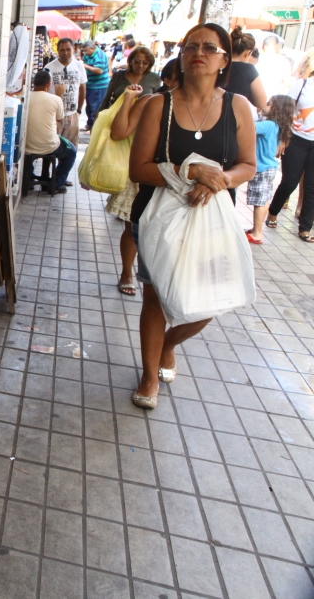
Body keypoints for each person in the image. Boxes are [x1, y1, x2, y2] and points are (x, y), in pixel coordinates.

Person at [127, 23, 256, 409]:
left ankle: (167, 345)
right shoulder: (158, 105)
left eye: (209, 47)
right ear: (181, 56)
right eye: (191, 46)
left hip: (211, 221)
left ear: (224, 60)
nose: (198, 52)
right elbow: (139, 169)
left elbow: (248, 165)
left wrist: (220, 179)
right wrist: (189, 171)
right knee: (155, 296)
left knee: (212, 300)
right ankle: (150, 375)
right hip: (157, 218)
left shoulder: (237, 106)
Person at [106, 61, 179, 297]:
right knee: (133, 227)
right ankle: (128, 272)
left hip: (178, 184)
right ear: (166, 80)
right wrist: (128, 100)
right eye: (181, 78)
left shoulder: (201, 108)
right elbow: (119, 132)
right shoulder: (150, 102)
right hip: (144, 175)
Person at [265, 48, 314, 242]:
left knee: (312, 188)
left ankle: (305, 228)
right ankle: (273, 212)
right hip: (297, 140)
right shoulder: (302, 84)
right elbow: (288, 112)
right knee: (289, 182)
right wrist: (283, 139)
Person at [246, 95, 295, 244]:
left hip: (262, 167)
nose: (264, 105)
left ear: (276, 109)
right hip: (269, 167)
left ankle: (257, 232)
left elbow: (249, 127)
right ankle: (257, 228)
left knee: (260, 201)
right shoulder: (277, 126)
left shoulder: (268, 125)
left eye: (268, 104)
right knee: (264, 198)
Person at [26, 70, 77, 193]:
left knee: (29, 155)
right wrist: (59, 95)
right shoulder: (55, 99)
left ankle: (30, 178)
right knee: (71, 151)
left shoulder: (26, 96)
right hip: (49, 146)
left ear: (33, 83)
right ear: (48, 85)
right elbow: (59, 119)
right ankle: (57, 183)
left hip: (26, 145)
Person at [44, 38, 87, 143]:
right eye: (62, 50)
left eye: (68, 49)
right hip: (54, 116)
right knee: (52, 148)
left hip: (72, 115)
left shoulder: (79, 66)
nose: (65, 53)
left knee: (71, 149)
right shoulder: (49, 68)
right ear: (58, 51)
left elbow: (82, 89)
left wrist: (79, 110)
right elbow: (44, 92)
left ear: (73, 49)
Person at [100, 46, 162, 111]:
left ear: (149, 64)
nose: (140, 65)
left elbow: (156, 102)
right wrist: (98, 116)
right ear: (131, 61)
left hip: (143, 119)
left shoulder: (154, 78)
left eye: (145, 63)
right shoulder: (119, 76)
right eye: (137, 62)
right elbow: (106, 99)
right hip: (116, 117)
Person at [225, 27, 268, 112]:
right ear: (248, 53)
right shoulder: (248, 69)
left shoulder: (218, 63)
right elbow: (262, 102)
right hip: (234, 116)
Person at [82, 39, 111, 131]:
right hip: (90, 85)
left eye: (86, 50)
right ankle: (90, 124)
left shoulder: (100, 55)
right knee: (89, 106)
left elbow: (99, 70)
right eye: (84, 50)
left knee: (96, 107)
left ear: (93, 48)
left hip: (99, 86)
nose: (85, 52)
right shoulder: (87, 55)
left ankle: (95, 127)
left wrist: (85, 66)